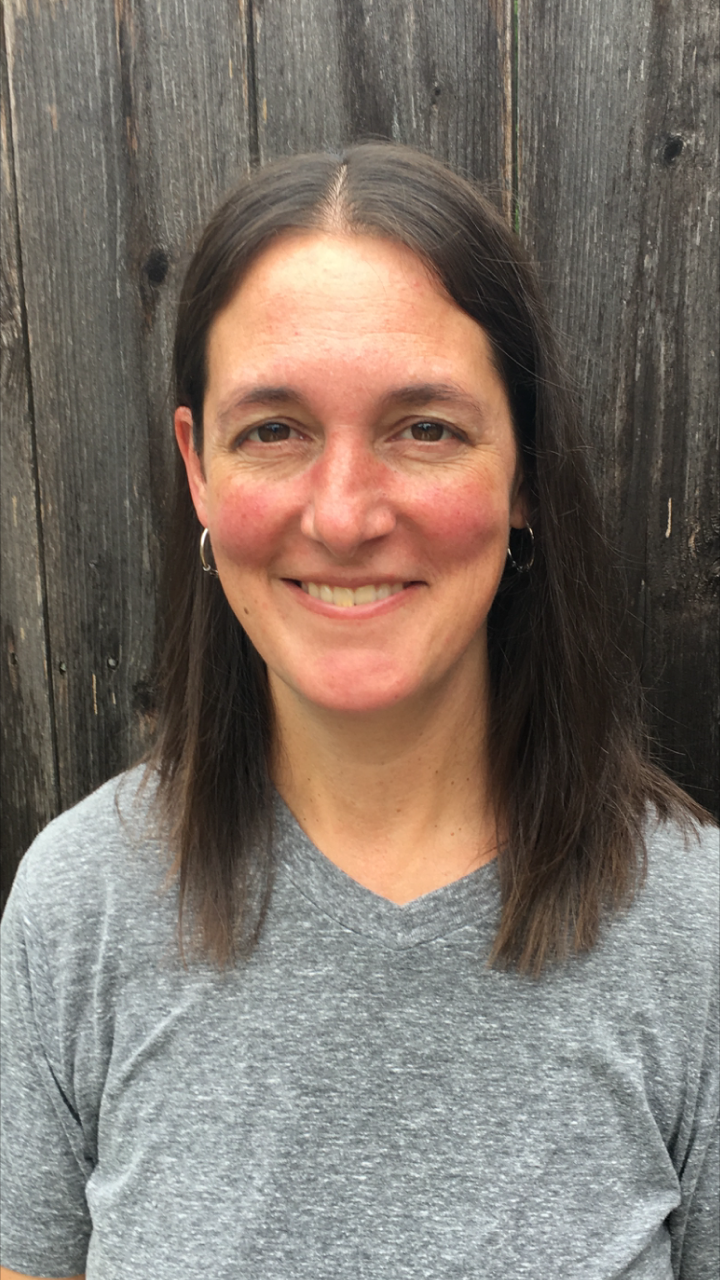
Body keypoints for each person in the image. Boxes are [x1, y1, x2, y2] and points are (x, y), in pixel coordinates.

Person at [0, 143, 717, 1280]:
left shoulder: (694, 935)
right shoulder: (76, 907)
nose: (341, 515)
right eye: (273, 429)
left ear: (523, 467)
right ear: (199, 468)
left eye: (424, 427)